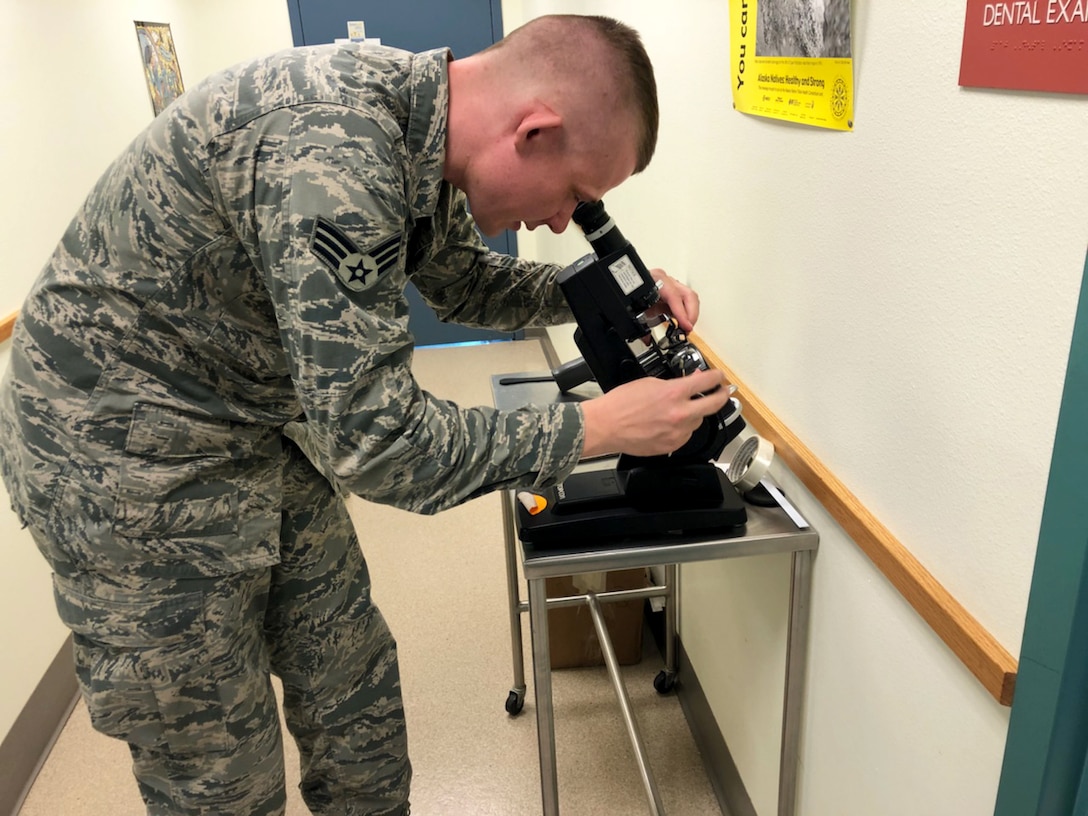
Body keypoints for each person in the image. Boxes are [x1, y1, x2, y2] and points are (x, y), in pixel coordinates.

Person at [0, 14, 730, 816]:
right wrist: (599, 428)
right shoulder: (334, 153)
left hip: (250, 420)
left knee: (353, 693)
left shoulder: (424, 127)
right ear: (534, 131)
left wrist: (598, 294)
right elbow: (382, 445)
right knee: (219, 770)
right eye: (576, 195)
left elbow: (460, 283)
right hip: (116, 452)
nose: (562, 221)